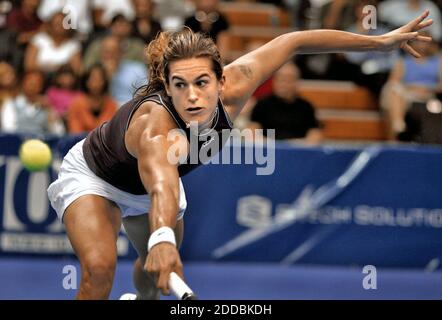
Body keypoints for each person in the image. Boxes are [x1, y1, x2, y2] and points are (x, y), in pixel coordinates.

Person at [47, 11, 433, 299]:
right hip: (97, 178)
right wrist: (161, 236)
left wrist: (380, 42)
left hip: (153, 186)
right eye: (180, 85)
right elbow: (163, 183)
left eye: (202, 82)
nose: (193, 96)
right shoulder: (154, 126)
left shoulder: (237, 87)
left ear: (221, 79)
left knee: (154, 278)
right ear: (166, 84)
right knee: (99, 271)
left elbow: (297, 40)